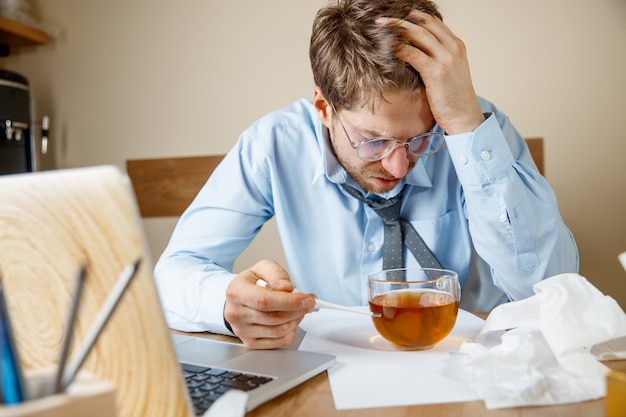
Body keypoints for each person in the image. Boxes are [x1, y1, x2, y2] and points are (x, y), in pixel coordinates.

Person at [154, 0, 578, 349]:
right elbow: (175, 271)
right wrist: (225, 304)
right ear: (323, 107)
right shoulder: (274, 144)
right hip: (330, 372)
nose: (398, 166)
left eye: (419, 139)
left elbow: (553, 287)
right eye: (373, 141)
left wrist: (465, 126)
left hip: (472, 364)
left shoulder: (476, 130)